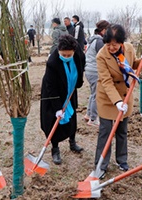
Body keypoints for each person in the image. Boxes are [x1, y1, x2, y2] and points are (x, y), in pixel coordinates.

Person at [94, 24, 142, 178]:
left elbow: (130, 66)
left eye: (115, 44)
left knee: (122, 131)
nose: (111, 48)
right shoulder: (101, 56)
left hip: (125, 95)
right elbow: (106, 82)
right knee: (105, 132)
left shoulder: (129, 48)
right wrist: (117, 102)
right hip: (108, 98)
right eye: (108, 44)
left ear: (121, 42)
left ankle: (122, 160)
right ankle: (101, 165)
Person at [40, 34, 85, 165]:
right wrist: (58, 108)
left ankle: (72, 142)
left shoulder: (78, 54)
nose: (66, 57)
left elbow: (81, 66)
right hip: (54, 92)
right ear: (58, 50)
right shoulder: (52, 63)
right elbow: (51, 87)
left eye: (68, 55)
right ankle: (55, 149)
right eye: (63, 55)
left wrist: (78, 83)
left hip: (70, 87)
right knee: (54, 120)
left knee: (72, 115)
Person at [84, 20, 110, 127]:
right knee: (96, 95)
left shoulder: (92, 40)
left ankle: (88, 114)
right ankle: (93, 119)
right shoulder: (99, 42)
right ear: (103, 30)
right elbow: (103, 57)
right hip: (95, 71)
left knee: (93, 93)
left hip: (89, 70)